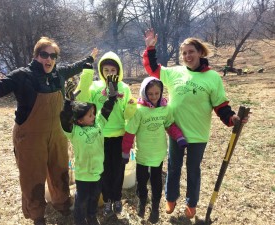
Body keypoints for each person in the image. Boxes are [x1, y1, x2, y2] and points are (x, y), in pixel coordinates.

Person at [0, 37, 97, 225]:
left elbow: (77, 66)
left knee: (60, 169)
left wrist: (90, 58)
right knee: (33, 175)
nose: (49, 59)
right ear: (36, 55)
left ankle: (63, 203)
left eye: (53, 56)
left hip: (57, 133)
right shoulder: (21, 75)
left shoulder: (59, 74)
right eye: (44, 54)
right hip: (30, 137)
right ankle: (37, 214)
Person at [143, 28, 249, 219]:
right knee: (174, 167)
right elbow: (153, 70)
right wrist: (150, 49)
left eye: (191, 51)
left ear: (200, 52)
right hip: (175, 131)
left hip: (198, 134)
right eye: (184, 53)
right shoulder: (175, 72)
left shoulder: (212, 77)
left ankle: (191, 204)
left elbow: (220, 105)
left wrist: (232, 118)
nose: (187, 55)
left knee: (193, 170)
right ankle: (171, 198)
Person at [75, 51, 136, 217]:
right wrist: (87, 73)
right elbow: (83, 98)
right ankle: (107, 199)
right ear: (101, 71)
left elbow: (128, 115)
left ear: (118, 71)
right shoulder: (95, 87)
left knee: (117, 170)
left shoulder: (124, 87)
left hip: (118, 136)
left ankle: (117, 198)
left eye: (113, 70)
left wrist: (131, 107)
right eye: (106, 70)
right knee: (103, 171)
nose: (110, 73)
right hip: (99, 136)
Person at [122, 77, 187, 223]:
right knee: (142, 180)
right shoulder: (139, 111)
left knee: (157, 182)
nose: (154, 97)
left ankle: (156, 206)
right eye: (150, 94)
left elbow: (170, 125)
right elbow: (130, 132)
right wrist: (125, 152)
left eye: (157, 93)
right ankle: (142, 202)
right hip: (143, 154)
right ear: (144, 93)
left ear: (161, 92)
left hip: (158, 153)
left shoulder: (165, 108)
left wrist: (179, 137)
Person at [60, 72, 118, 225]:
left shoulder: (99, 123)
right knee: (82, 199)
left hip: (98, 172)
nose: (94, 115)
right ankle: (80, 220)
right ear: (79, 119)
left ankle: (92, 216)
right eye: (90, 115)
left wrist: (111, 98)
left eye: (93, 113)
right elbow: (64, 120)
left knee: (94, 197)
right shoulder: (73, 131)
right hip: (83, 175)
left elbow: (106, 109)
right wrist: (67, 102)